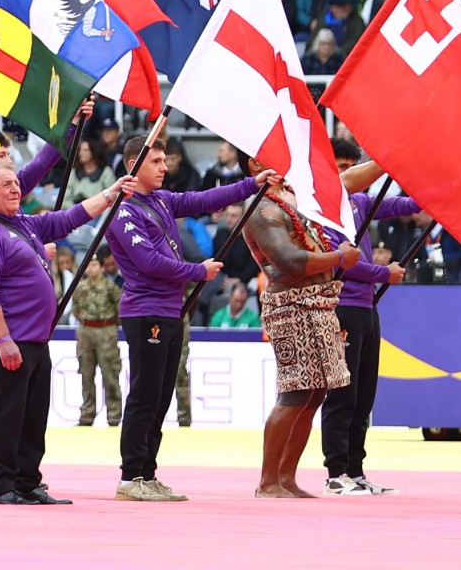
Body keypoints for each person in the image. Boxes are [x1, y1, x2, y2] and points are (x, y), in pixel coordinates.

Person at [105, 139, 265, 501]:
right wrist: (198, 270)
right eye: (156, 161)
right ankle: (131, 476)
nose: (164, 167)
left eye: (165, 160)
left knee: (161, 396)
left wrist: (250, 184)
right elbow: (148, 262)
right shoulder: (124, 210)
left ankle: (147, 472)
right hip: (146, 311)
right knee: (145, 394)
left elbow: (203, 200)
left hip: (169, 309)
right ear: (133, 164)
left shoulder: (161, 200)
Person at [0, 162, 125, 505]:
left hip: (36, 340)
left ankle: (26, 482)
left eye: (16, 182)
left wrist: (109, 194)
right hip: (13, 341)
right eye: (6, 184)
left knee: (32, 417)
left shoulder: (22, 224)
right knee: (6, 416)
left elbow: (66, 219)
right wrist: (3, 340)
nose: (15, 188)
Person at [244, 176, 361, 499]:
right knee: (296, 391)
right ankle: (268, 481)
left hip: (319, 302)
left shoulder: (294, 197)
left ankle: (286, 477)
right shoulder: (261, 207)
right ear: (257, 164)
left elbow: (344, 182)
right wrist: (338, 258)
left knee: (314, 393)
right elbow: (289, 261)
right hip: (290, 304)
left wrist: (384, 164)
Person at [322, 162, 419, 496]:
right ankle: (335, 472)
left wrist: (436, 194)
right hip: (342, 305)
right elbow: (341, 261)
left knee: (363, 395)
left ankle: (355, 469)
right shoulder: (320, 206)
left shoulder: (360, 201)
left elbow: (404, 206)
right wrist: (383, 273)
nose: (353, 175)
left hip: (367, 307)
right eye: (345, 168)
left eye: (353, 166)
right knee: (343, 393)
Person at [71, 251, 124, 428]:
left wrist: (110, 325)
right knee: (86, 374)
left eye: (95, 264)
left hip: (106, 331)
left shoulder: (110, 287)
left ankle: (114, 415)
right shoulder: (80, 287)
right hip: (86, 331)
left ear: (101, 267)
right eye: (88, 265)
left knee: (110, 374)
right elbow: (76, 310)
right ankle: (87, 414)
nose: (91, 268)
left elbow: (120, 310)